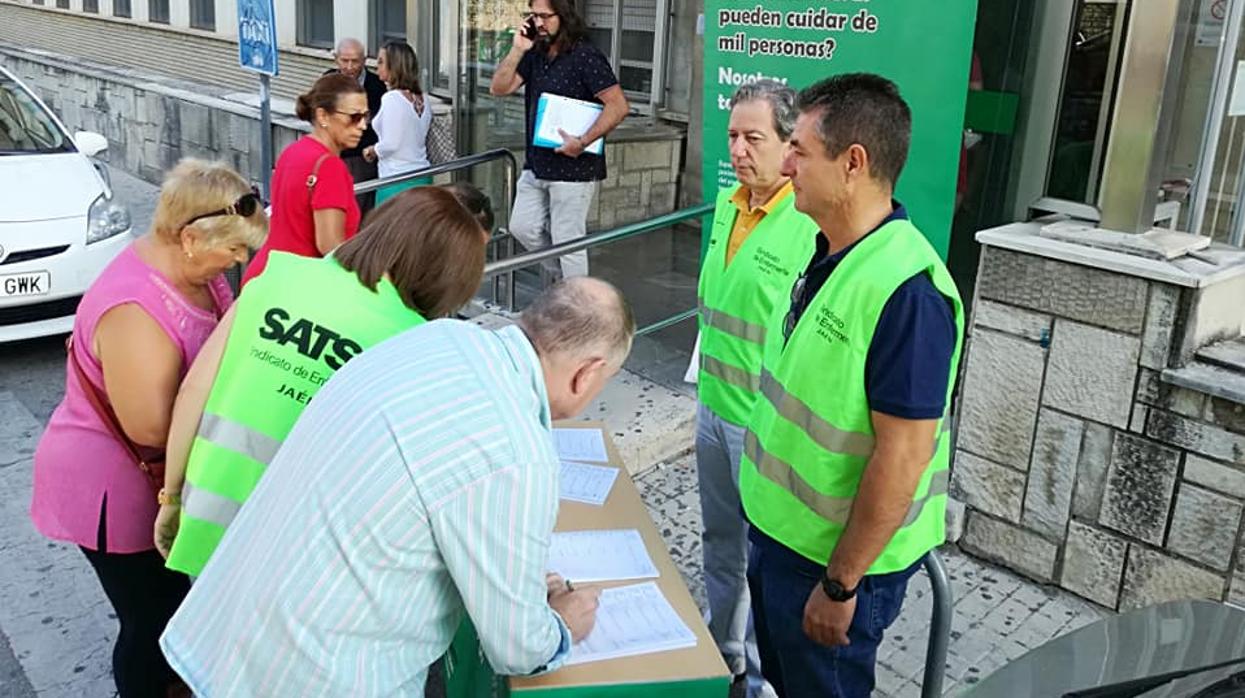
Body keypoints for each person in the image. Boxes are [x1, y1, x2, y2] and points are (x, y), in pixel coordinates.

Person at [159, 277, 634, 696]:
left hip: (231, 629)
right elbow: (519, 646)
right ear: (587, 372)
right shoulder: (518, 453)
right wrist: (563, 624)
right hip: (316, 673)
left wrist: (524, 585)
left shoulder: (442, 337)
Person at [739, 73, 964, 697]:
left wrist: (840, 586)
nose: (785, 165)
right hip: (782, 542)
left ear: (853, 164)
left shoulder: (908, 294)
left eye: (800, 151)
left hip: (831, 571)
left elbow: (904, 457)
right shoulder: (829, 250)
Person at [153, 186, 491, 577]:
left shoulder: (279, 276)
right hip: (301, 555)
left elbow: (196, 388)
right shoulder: (412, 341)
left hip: (210, 515)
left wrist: (171, 496)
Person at [29, 159, 266, 698]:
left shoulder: (193, 272)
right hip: (112, 488)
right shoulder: (136, 308)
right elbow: (152, 428)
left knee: (171, 614)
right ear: (189, 236)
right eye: (233, 249)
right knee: (150, 621)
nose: (240, 260)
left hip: (155, 481)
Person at [695, 80, 817, 698]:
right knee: (721, 545)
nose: (739, 150)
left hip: (761, 427)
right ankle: (726, 657)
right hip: (711, 410)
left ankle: (766, 682)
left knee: (762, 563)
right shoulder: (726, 204)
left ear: (789, 143)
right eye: (733, 136)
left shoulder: (807, 224)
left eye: (754, 138)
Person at [489, 0, 629, 280]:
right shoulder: (534, 53)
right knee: (521, 227)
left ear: (563, 15)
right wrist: (517, 49)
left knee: (569, 243)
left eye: (545, 16)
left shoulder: (585, 56)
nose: (538, 23)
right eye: (534, 16)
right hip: (536, 165)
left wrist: (584, 140)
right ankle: (566, 282)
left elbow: (618, 106)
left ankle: (576, 307)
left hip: (573, 169)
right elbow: (499, 88)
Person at [241, 73, 368, 286]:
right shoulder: (330, 166)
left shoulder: (293, 151)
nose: (363, 125)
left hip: (266, 276)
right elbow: (330, 246)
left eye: (366, 116)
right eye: (354, 117)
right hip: (298, 287)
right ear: (323, 116)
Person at [364, 41, 434, 207]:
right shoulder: (423, 98)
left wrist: (372, 150)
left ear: (394, 66)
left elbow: (390, 144)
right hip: (422, 174)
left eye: (381, 61)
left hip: (396, 178)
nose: (376, 66)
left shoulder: (391, 98)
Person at [324, 37, 387, 213]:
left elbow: (373, 123)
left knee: (358, 210)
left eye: (355, 61)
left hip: (361, 158)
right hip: (333, 155)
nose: (350, 67)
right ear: (336, 58)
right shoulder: (328, 80)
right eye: (345, 61)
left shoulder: (376, 86)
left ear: (364, 61)